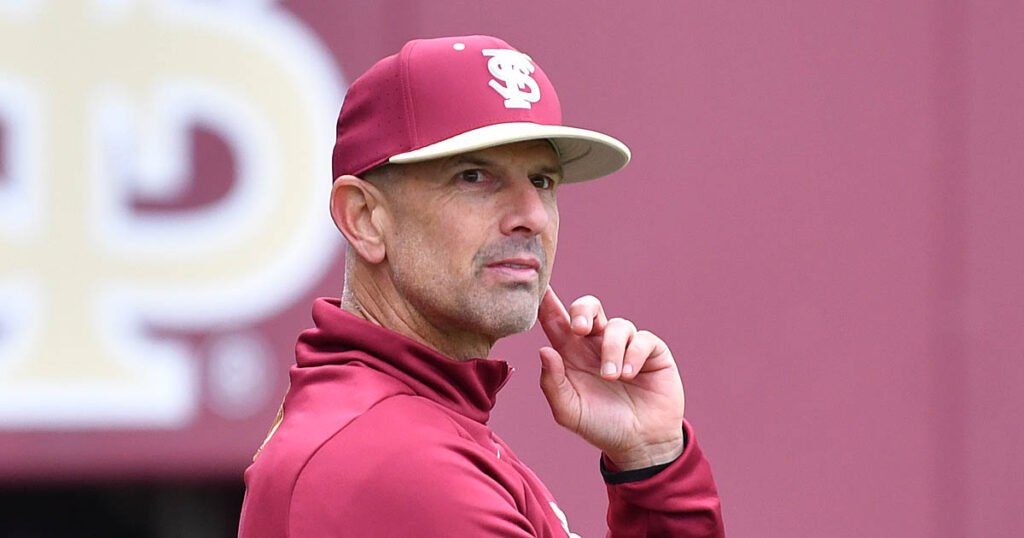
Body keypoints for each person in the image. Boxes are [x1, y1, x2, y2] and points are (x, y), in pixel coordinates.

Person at [238, 35, 724, 537]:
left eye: (542, 181)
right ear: (364, 218)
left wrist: (653, 466)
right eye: (474, 176)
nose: (531, 216)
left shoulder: (409, 424)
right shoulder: (391, 460)